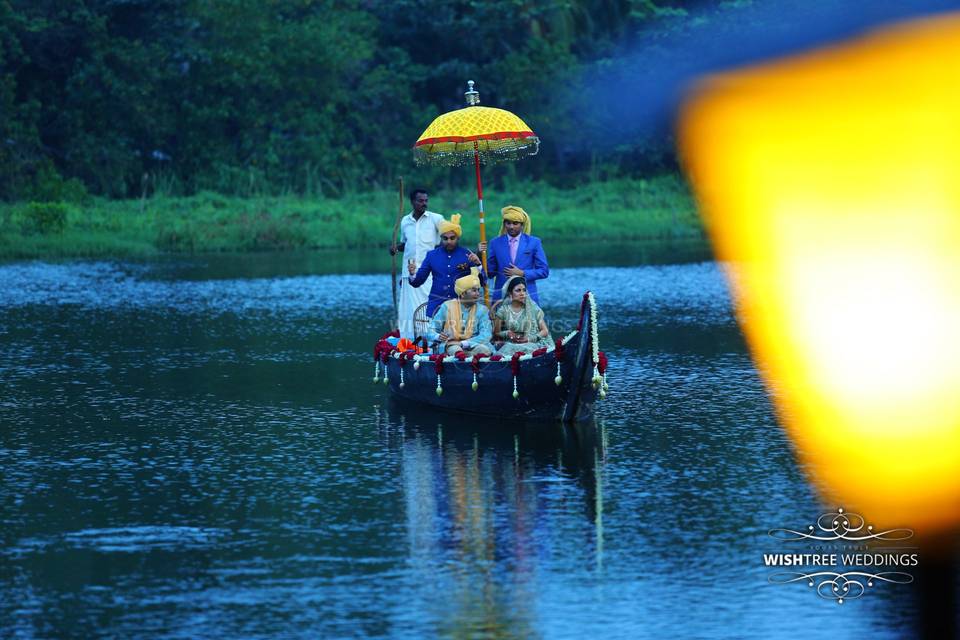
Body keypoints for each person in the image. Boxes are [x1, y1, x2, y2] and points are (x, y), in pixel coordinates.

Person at [391, 188, 444, 339]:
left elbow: (446, 241)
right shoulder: (405, 221)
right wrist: (395, 249)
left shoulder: (436, 219)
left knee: (427, 307)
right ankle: (410, 339)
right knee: (409, 309)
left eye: (426, 201)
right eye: (420, 201)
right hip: (409, 273)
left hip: (429, 273)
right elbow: (405, 244)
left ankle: (431, 338)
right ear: (412, 202)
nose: (424, 204)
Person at [409, 214, 485, 317]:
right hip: (436, 307)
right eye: (445, 238)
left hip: (461, 308)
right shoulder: (431, 255)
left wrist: (478, 264)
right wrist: (413, 274)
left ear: (457, 238)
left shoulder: (467, 254)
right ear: (441, 238)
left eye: (452, 238)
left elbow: (482, 281)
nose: (448, 241)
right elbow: (418, 281)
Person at [478, 205, 549, 303]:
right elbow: (489, 273)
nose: (511, 227)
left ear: (522, 225)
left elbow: (544, 271)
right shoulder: (495, 243)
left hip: (527, 297)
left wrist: (523, 273)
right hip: (501, 299)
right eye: (508, 223)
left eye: (515, 223)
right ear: (504, 224)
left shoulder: (534, 242)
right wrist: (480, 255)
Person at [427, 268, 493, 356]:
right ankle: (465, 357)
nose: (478, 294)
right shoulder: (447, 307)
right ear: (462, 294)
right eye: (474, 290)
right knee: (455, 350)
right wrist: (438, 336)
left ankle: (468, 356)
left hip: (474, 344)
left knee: (483, 350)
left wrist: (463, 343)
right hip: (451, 344)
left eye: (478, 290)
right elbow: (430, 330)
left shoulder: (482, 310)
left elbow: (486, 334)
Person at [494, 275, 552, 357]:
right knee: (508, 348)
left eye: (524, 290)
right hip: (512, 343)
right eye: (518, 290)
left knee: (530, 348)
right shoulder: (503, 310)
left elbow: (544, 331)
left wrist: (529, 339)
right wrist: (508, 333)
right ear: (510, 293)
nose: (522, 293)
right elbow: (496, 333)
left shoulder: (533, 307)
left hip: (533, 342)